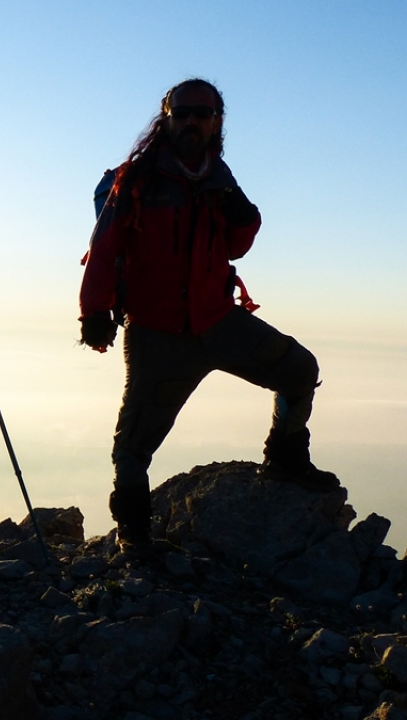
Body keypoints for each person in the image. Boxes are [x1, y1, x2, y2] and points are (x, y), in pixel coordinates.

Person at [78, 78, 336, 551]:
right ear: (167, 117)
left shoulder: (219, 177)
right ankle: (134, 536)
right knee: (133, 446)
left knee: (300, 370)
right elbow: (105, 245)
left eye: (203, 112)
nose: (192, 121)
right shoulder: (136, 179)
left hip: (219, 320)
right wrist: (94, 311)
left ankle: (285, 456)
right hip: (158, 333)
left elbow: (237, 244)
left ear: (218, 120)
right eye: (183, 112)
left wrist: (246, 215)